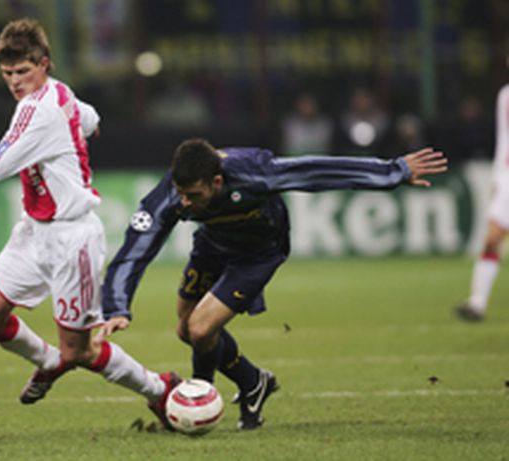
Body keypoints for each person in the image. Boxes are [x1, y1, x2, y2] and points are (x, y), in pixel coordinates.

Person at [0, 18, 180, 428]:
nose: (14, 81)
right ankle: (49, 361)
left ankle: (160, 389)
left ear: (44, 63)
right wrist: (87, 130)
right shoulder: (60, 93)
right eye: (7, 73)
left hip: (71, 239)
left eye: (23, 71)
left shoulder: (36, 110)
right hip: (33, 231)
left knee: (82, 350)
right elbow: (90, 116)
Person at [97, 138, 447, 430]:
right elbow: (137, 248)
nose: (184, 203)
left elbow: (316, 172)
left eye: (193, 195)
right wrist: (116, 305)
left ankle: (199, 402)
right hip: (212, 245)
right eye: (180, 193)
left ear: (217, 183)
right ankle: (253, 382)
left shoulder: (252, 172)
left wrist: (393, 171)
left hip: (257, 253)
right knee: (185, 330)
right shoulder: (172, 195)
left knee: (201, 330)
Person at [454, 51, 509, 321]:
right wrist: (498, 178)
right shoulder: (505, 96)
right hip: (508, 179)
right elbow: (504, 141)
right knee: (492, 238)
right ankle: (477, 302)